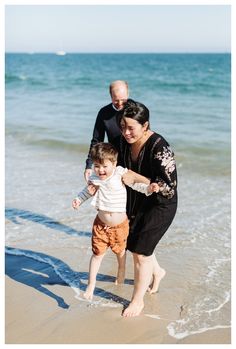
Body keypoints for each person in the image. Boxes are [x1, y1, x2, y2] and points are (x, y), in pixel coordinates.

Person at [114, 99, 178, 317]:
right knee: (136, 245)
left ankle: (137, 302)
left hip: (161, 205)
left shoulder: (160, 147)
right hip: (136, 201)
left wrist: (138, 177)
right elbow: (110, 161)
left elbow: (169, 188)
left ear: (145, 125)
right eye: (123, 127)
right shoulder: (122, 142)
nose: (126, 133)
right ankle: (157, 272)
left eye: (131, 128)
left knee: (140, 253)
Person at [72, 142, 158, 300]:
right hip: (100, 225)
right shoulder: (94, 177)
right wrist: (79, 199)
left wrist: (148, 189)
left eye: (104, 166)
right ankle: (91, 285)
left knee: (120, 252)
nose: (101, 170)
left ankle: (121, 271)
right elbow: (88, 191)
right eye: (97, 166)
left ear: (114, 163)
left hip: (120, 226)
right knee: (97, 254)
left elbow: (135, 185)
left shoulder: (119, 173)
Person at [84, 80, 129, 182]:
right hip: (114, 162)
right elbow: (96, 140)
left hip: (135, 159)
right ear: (111, 96)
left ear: (128, 94)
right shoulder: (104, 113)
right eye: (116, 100)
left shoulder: (135, 109)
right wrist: (89, 165)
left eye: (123, 99)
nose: (120, 104)